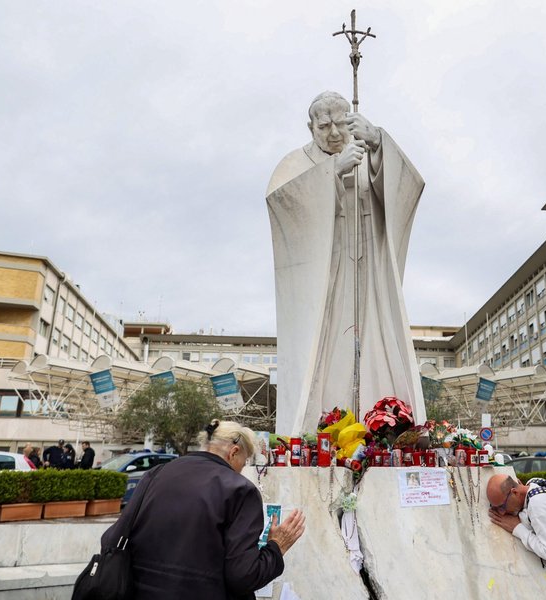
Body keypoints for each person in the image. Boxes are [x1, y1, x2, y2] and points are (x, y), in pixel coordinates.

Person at [266, 91, 427, 435]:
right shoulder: (294, 164)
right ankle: (318, 429)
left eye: (341, 123)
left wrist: (379, 143)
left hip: (368, 276)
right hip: (325, 280)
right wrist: (332, 173)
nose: (334, 133)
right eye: (324, 126)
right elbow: (283, 206)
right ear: (311, 127)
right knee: (324, 354)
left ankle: (384, 428)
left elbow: (409, 187)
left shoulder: (367, 150)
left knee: (377, 343)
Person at [99, 420, 305, 599]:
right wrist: (277, 547)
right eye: (243, 463)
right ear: (234, 453)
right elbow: (243, 576)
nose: (242, 470)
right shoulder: (240, 490)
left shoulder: (157, 473)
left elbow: (111, 538)